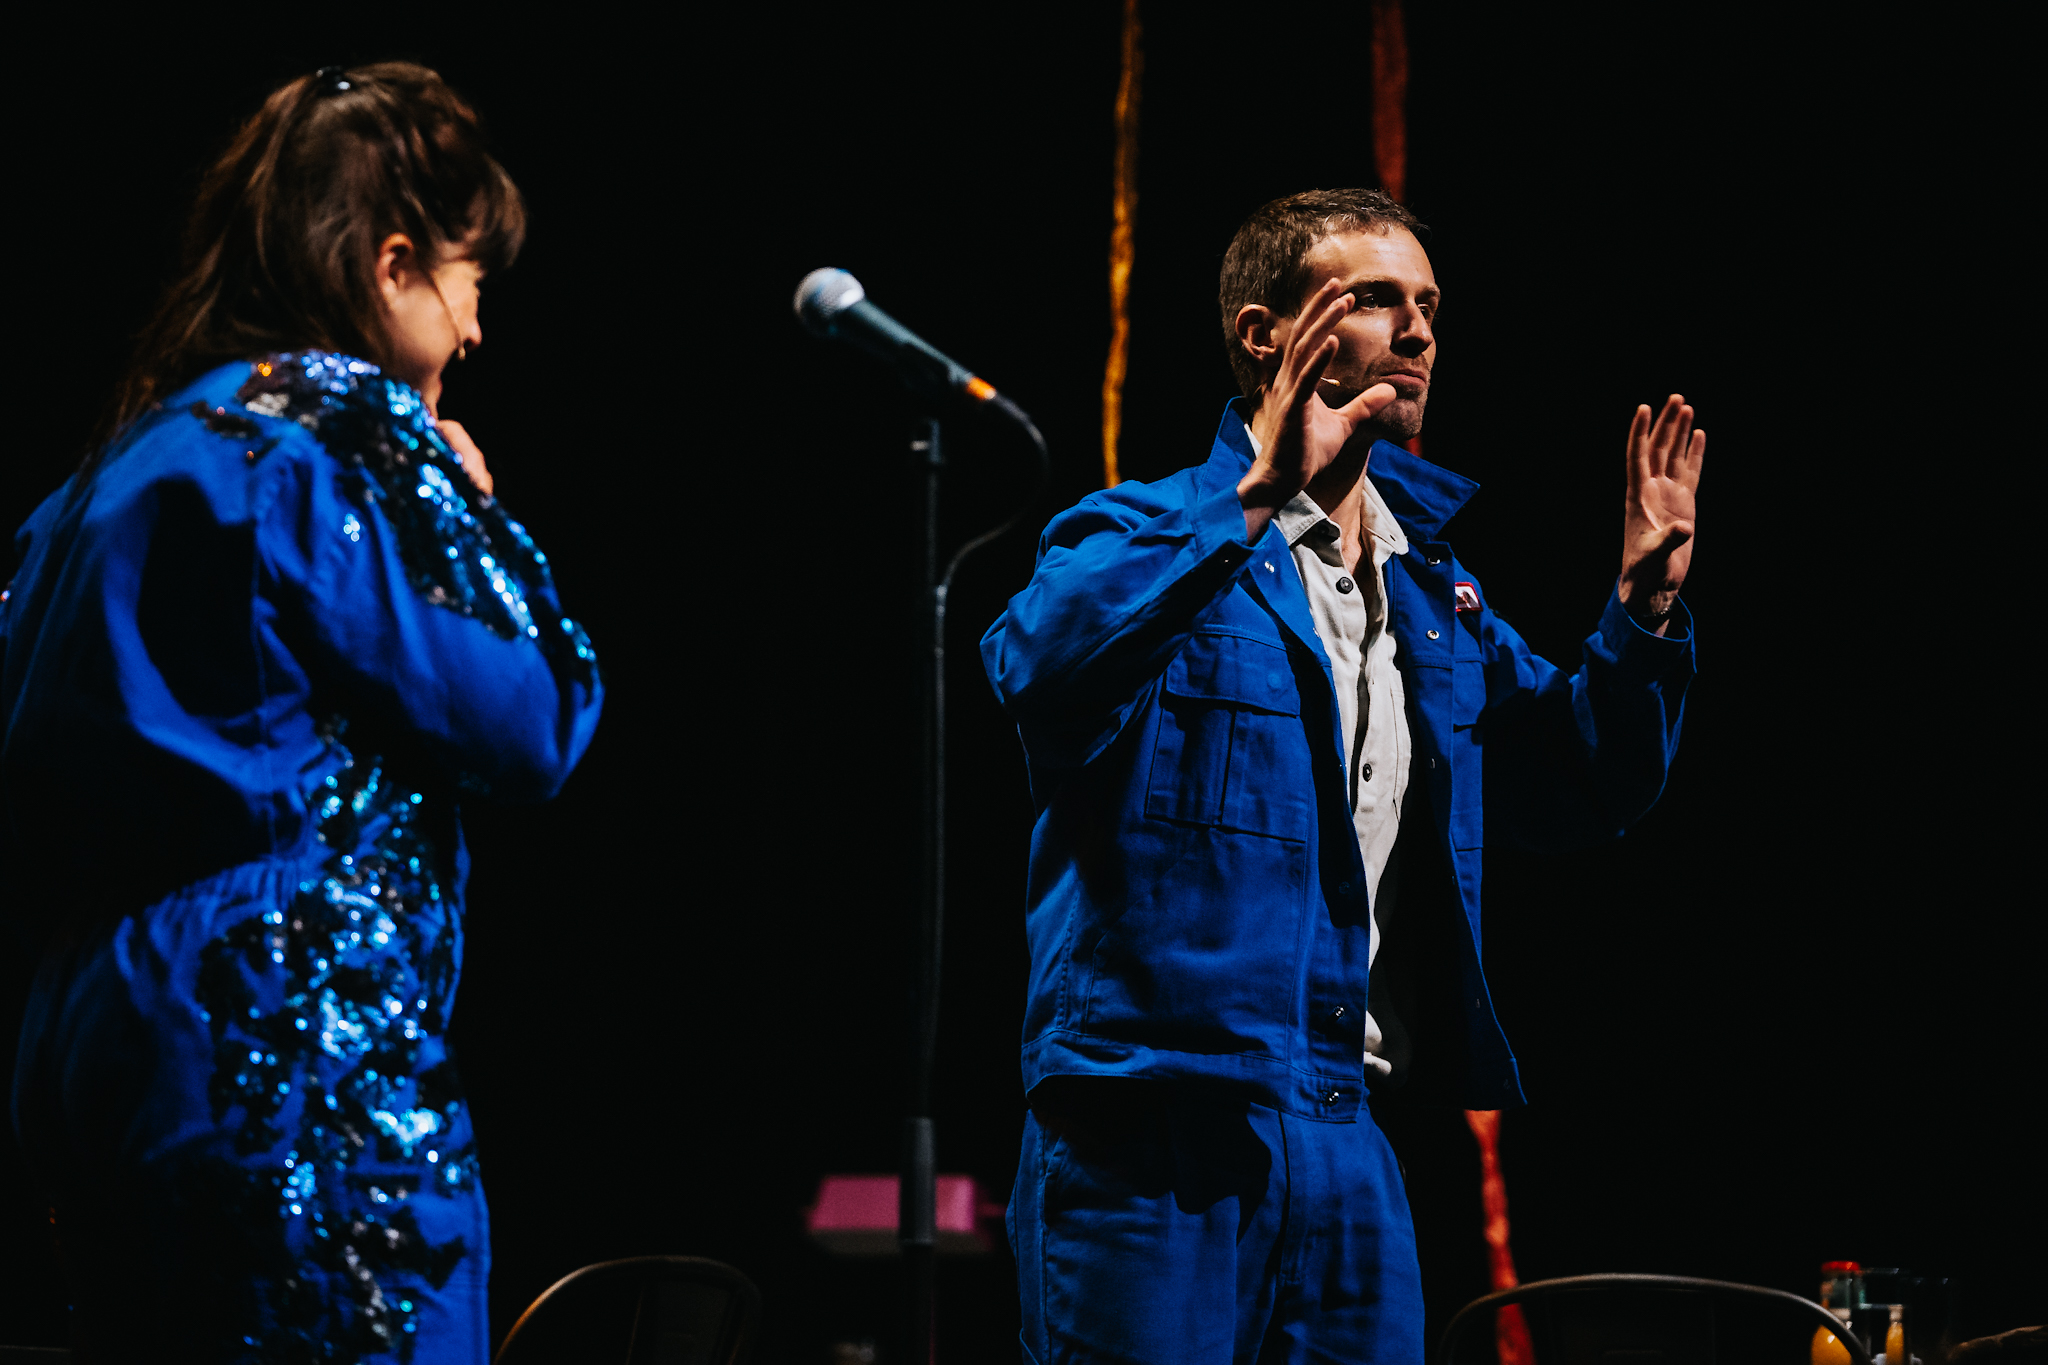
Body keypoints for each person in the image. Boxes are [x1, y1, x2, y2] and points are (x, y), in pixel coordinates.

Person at [979, 188, 1703, 1362]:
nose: (1416, 331)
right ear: (1264, 333)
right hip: (1155, 1129)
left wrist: (1642, 610)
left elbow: (1575, 782)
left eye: (1427, 305)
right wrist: (1250, 497)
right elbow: (1037, 668)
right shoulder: (1143, 528)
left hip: (1344, 1129)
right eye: (1373, 299)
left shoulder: (1430, 593)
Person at [0, 65, 601, 1363]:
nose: (477, 331)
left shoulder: (113, 466)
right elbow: (538, 708)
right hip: (279, 1045)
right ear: (393, 267)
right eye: (469, 283)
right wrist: (466, 508)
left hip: (89, 1050)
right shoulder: (340, 427)